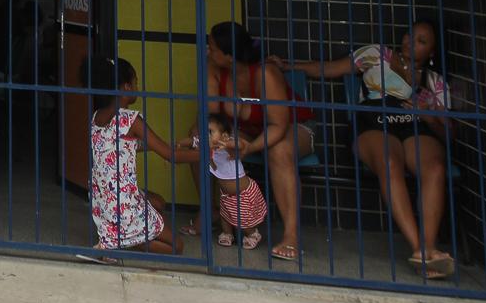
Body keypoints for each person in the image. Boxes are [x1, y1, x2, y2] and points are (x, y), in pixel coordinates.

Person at [277, 18, 456, 278]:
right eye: (410, 34)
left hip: (416, 125)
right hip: (374, 122)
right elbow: (329, 68)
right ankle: (419, 249)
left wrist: (429, 116)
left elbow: (448, 134)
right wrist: (288, 65)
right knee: (389, 163)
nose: (410, 42)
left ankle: (430, 247)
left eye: (421, 41)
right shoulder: (377, 55)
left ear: (432, 52)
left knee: (435, 168)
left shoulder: (436, 83)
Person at [203, 21, 312, 262]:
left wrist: (250, 147)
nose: (207, 52)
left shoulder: (265, 74)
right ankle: (213, 213)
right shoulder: (214, 68)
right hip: (243, 130)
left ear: (230, 55)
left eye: (212, 48)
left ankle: (291, 235)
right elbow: (212, 115)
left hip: (291, 127)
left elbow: (278, 125)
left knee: (279, 151)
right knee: (202, 138)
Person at [88, 57, 193, 254]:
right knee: (176, 246)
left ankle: (117, 236)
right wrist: (206, 154)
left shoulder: (97, 116)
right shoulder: (130, 119)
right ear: (127, 87)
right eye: (135, 82)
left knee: (158, 203)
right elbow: (171, 156)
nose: (137, 87)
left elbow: (122, 147)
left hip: (103, 202)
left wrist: (159, 146)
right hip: (124, 203)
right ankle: (120, 241)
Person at [191, 115, 268, 250]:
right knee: (225, 215)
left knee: (243, 218)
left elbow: (240, 144)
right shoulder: (209, 149)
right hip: (226, 193)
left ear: (225, 136)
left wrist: (226, 144)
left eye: (210, 132)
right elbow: (192, 141)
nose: (205, 136)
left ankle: (252, 233)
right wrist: (179, 144)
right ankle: (227, 233)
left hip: (243, 192)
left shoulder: (229, 147)